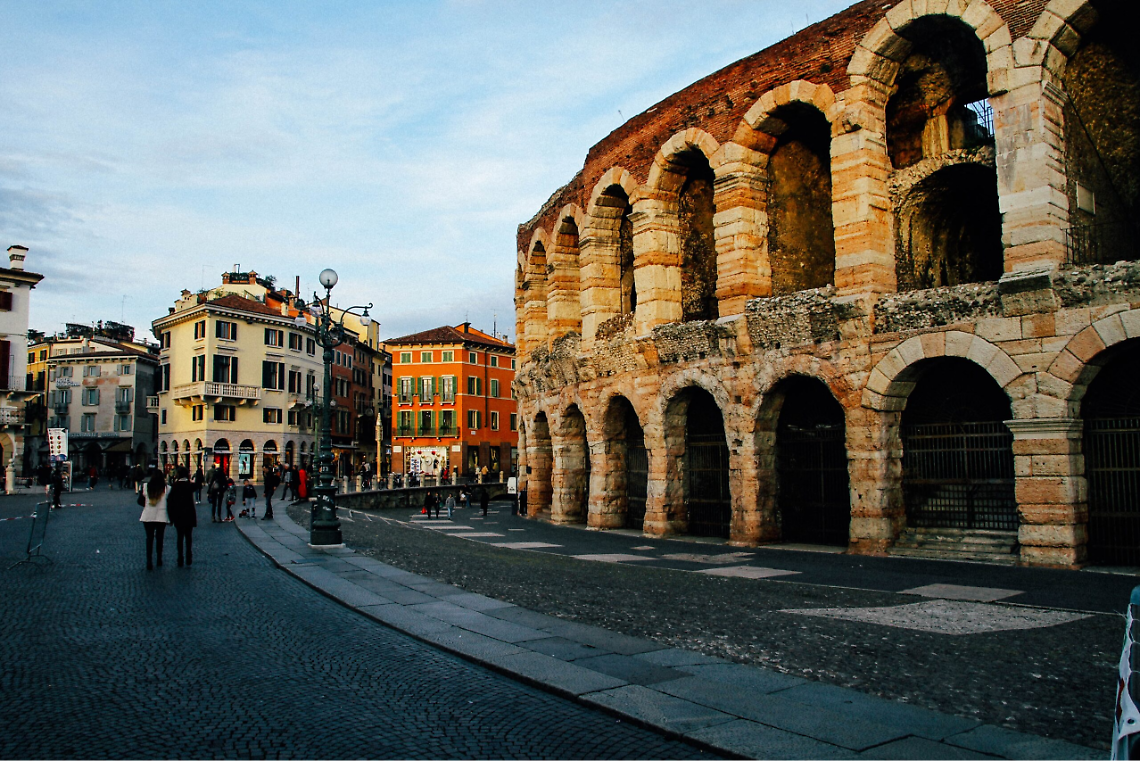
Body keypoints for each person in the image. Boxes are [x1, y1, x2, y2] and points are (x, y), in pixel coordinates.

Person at [167, 466, 197, 567]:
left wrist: (171, 518)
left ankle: (180, 558)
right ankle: (189, 556)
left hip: (178, 515)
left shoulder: (175, 486)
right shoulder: (190, 485)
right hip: (189, 515)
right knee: (189, 537)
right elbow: (198, 485)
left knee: (180, 538)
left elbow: (170, 502)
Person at [139, 471, 170, 571]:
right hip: (161, 515)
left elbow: (140, 500)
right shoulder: (167, 488)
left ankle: (149, 560)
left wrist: (147, 505)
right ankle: (159, 559)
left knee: (149, 538)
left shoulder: (145, 486)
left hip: (148, 515)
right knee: (160, 538)